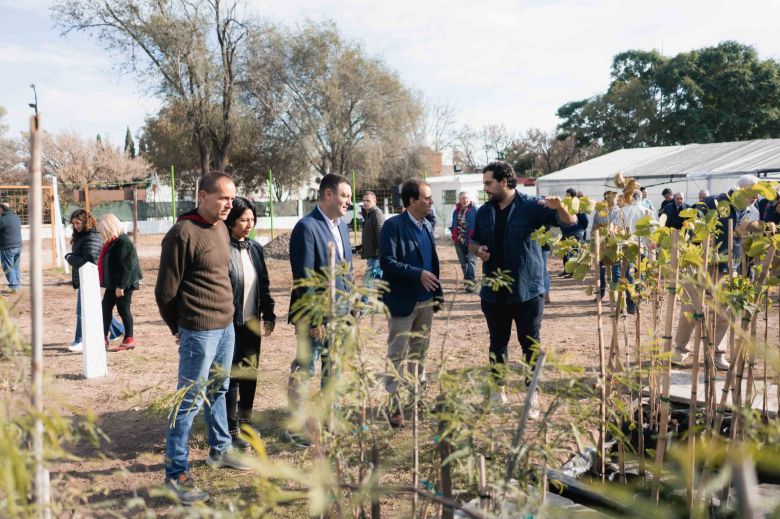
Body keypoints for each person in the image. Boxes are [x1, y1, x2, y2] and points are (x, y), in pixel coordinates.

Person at [156, 171, 250, 506]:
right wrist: (179, 329)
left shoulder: (222, 229)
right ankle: (175, 474)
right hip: (199, 331)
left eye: (232, 198)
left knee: (218, 390)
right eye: (223, 197)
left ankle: (220, 449)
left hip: (225, 328)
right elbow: (165, 292)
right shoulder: (183, 233)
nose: (229, 204)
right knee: (189, 401)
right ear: (203, 196)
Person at [469, 162, 576, 408]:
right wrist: (479, 251)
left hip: (527, 290)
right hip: (494, 292)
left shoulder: (532, 207)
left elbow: (569, 222)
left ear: (504, 182)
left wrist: (560, 207)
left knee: (530, 345)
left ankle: (531, 395)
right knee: (497, 344)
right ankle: (498, 391)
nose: (485, 188)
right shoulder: (484, 211)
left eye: (488, 183)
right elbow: (473, 242)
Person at [286, 173, 353, 447]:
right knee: (305, 370)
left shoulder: (343, 227)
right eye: (344, 195)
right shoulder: (307, 227)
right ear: (328, 194)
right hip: (315, 317)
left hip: (340, 317)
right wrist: (315, 319)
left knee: (333, 371)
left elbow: (345, 271)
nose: (349, 201)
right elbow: (304, 278)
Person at [380, 179, 443, 428]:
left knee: (419, 353)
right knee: (397, 354)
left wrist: (436, 292)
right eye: (426, 197)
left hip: (425, 302)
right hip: (402, 303)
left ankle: (416, 399)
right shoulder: (393, 226)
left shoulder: (427, 225)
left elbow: (433, 262)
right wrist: (416, 273)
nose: (431, 201)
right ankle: (394, 404)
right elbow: (387, 262)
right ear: (411, 201)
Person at [225, 197, 276, 452]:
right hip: (229, 324)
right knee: (232, 376)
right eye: (244, 219)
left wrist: (270, 313)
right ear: (232, 219)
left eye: (252, 220)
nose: (249, 224)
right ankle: (231, 427)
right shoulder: (223, 248)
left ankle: (245, 422)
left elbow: (263, 284)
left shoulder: (255, 248)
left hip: (252, 322)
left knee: (249, 374)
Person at [65, 209, 124, 352]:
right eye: (73, 223)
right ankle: (117, 329)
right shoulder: (82, 235)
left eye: (78, 223)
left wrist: (69, 258)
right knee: (94, 308)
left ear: (86, 222)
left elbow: (90, 260)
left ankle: (81, 340)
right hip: (85, 277)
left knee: (82, 310)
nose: (76, 226)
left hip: (91, 277)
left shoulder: (91, 236)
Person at [96, 214, 141, 351]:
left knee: (123, 309)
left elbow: (127, 267)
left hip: (124, 283)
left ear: (109, 228)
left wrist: (121, 287)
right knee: (105, 307)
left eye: (102, 231)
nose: (100, 234)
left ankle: (129, 338)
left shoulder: (123, 242)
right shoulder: (113, 241)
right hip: (113, 283)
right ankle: (103, 336)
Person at [617, 191, 653, 314]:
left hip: (628, 247)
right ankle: (638, 301)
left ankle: (631, 305)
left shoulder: (622, 211)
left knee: (629, 275)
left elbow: (618, 230)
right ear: (641, 197)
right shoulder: (647, 211)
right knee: (640, 274)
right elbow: (653, 231)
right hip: (643, 246)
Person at [588, 191, 620, 301]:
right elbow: (594, 228)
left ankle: (615, 296)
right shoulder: (600, 212)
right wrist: (593, 244)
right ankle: (600, 294)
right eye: (607, 198)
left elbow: (622, 228)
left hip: (615, 246)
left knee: (616, 273)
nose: (612, 200)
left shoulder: (620, 211)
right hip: (601, 246)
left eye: (613, 198)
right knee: (600, 272)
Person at [450, 191, 477, 292]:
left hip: (472, 241)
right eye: (462, 198)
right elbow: (454, 224)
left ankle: (471, 284)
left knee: (471, 262)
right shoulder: (456, 211)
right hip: (459, 241)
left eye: (466, 198)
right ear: (459, 200)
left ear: (469, 199)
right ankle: (467, 282)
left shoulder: (475, 209)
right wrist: (453, 235)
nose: (465, 200)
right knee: (463, 263)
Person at [559, 188, 587, 278]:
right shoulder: (565, 205)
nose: (566, 197)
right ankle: (567, 270)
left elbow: (585, 220)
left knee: (574, 252)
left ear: (573, 196)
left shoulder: (577, 205)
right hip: (566, 232)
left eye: (568, 196)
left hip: (576, 231)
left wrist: (581, 229)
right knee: (564, 251)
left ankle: (574, 272)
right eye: (566, 195)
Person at [360, 191, 385, 291]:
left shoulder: (376, 214)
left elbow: (381, 234)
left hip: (376, 256)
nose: (365, 203)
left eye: (368, 201)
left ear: (375, 201)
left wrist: (381, 254)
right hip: (372, 255)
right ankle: (387, 300)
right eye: (364, 201)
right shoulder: (369, 214)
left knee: (367, 279)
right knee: (380, 279)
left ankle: (363, 305)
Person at [0, 202, 22, 292]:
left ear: (1, 209)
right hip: (18, 246)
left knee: (8, 267)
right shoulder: (16, 217)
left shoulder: (3, 220)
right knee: (16, 266)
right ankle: (17, 284)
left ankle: (14, 286)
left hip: (7, 247)